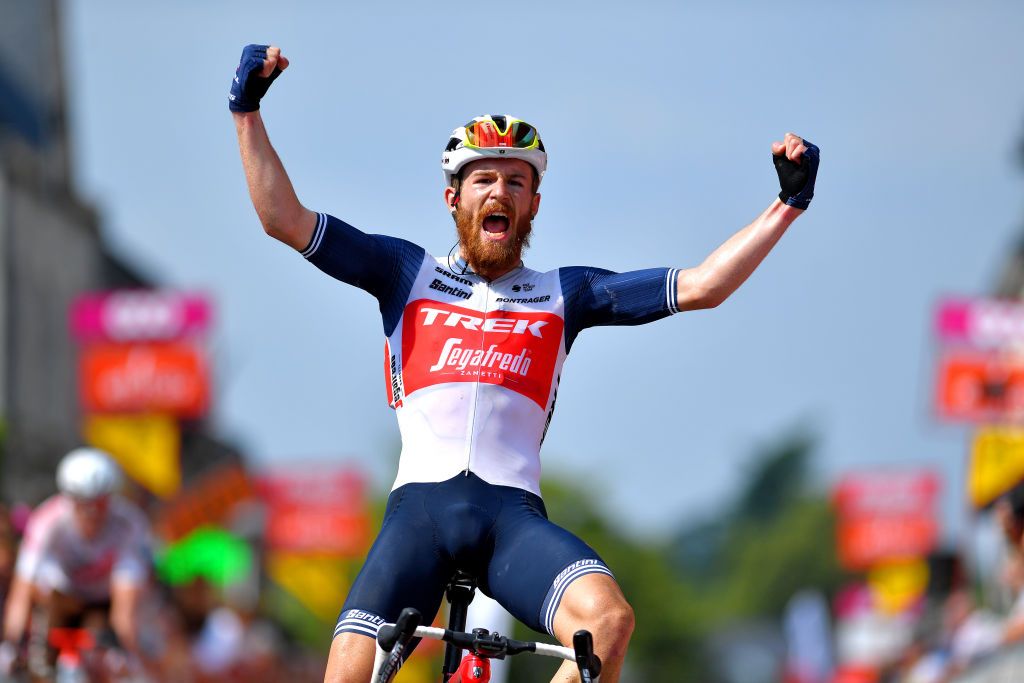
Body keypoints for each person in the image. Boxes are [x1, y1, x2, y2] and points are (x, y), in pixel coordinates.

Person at [229, 44, 820, 683]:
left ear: (534, 204)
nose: (501, 191)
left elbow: (703, 285)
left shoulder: (567, 294)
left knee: (610, 623)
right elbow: (282, 219)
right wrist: (247, 110)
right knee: (344, 675)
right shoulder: (406, 273)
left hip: (512, 520)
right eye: (484, 179)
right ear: (452, 197)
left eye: (517, 181)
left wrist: (786, 205)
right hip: (417, 519)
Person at [0, 448, 152, 679]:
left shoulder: (129, 525)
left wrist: (127, 651)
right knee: (39, 666)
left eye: (99, 504)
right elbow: (21, 592)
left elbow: (125, 604)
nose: (91, 513)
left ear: (111, 498)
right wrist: (10, 643)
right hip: (61, 596)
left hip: (102, 601)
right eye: (82, 504)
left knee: (103, 662)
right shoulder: (47, 521)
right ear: (68, 499)